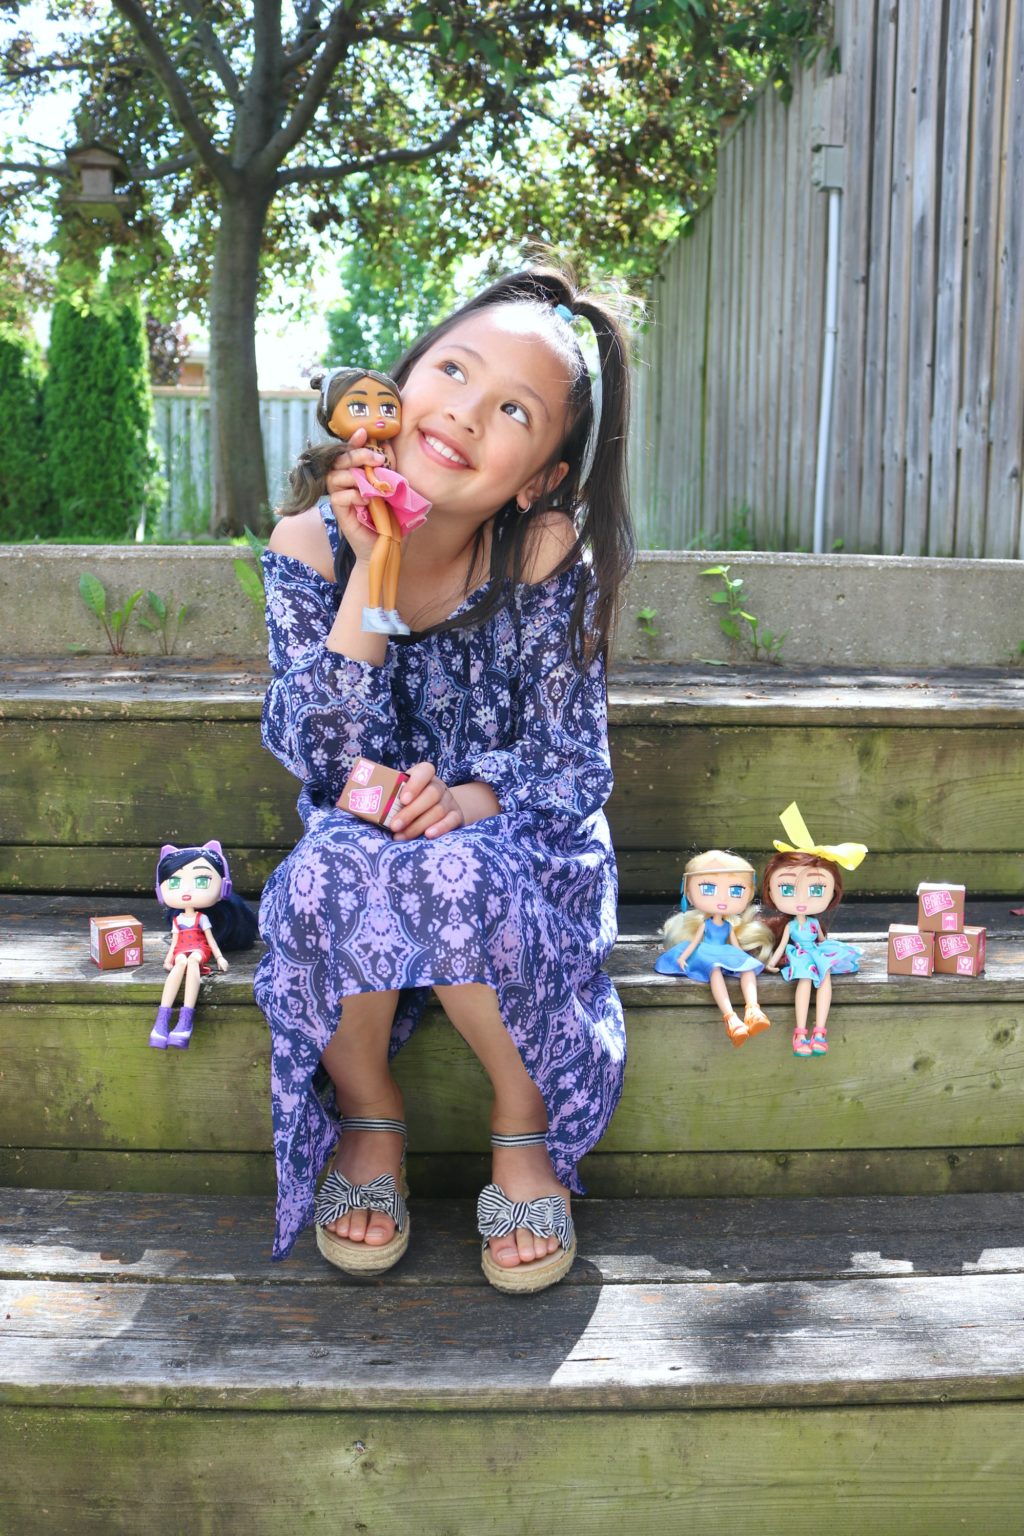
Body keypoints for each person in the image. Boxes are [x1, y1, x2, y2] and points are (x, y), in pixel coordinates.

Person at [254, 267, 637, 1294]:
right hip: (370, 841)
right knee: (318, 879)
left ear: (538, 478)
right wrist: (372, 569)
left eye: (513, 409)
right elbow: (323, 756)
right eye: (452, 371)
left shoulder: (544, 555)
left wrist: (468, 800)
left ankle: (525, 1115)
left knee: (455, 870)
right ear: (395, 387)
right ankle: (371, 1115)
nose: (466, 412)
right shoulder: (311, 544)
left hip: (517, 842)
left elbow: (571, 760)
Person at [761, 803, 868, 1057]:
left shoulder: (813, 924)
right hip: (799, 956)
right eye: (787, 889)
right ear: (771, 891)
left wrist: (826, 949)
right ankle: (800, 1032)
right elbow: (785, 941)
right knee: (806, 981)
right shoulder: (790, 926)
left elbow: (821, 940)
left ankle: (820, 1031)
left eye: (816, 890)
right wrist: (772, 963)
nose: (801, 899)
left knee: (825, 978)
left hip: (816, 953)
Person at [654, 850, 773, 1046]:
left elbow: (735, 945)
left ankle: (753, 1010)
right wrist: (683, 957)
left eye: (735, 891)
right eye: (708, 888)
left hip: (725, 951)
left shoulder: (728, 926)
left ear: (749, 894)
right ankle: (731, 1018)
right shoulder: (705, 925)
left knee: (748, 969)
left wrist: (744, 959)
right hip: (705, 951)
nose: (723, 898)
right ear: (689, 894)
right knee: (714, 970)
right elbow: (695, 943)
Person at [150, 841, 259, 1050]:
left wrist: (218, 957)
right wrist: (168, 958)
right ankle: (162, 1019)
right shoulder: (179, 920)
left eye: (201, 880)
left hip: (200, 950)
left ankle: (185, 1018)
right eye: (174, 882)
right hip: (186, 949)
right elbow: (174, 943)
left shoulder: (202, 919)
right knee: (181, 962)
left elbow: (209, 941)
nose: (187, 891)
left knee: (191, 962)